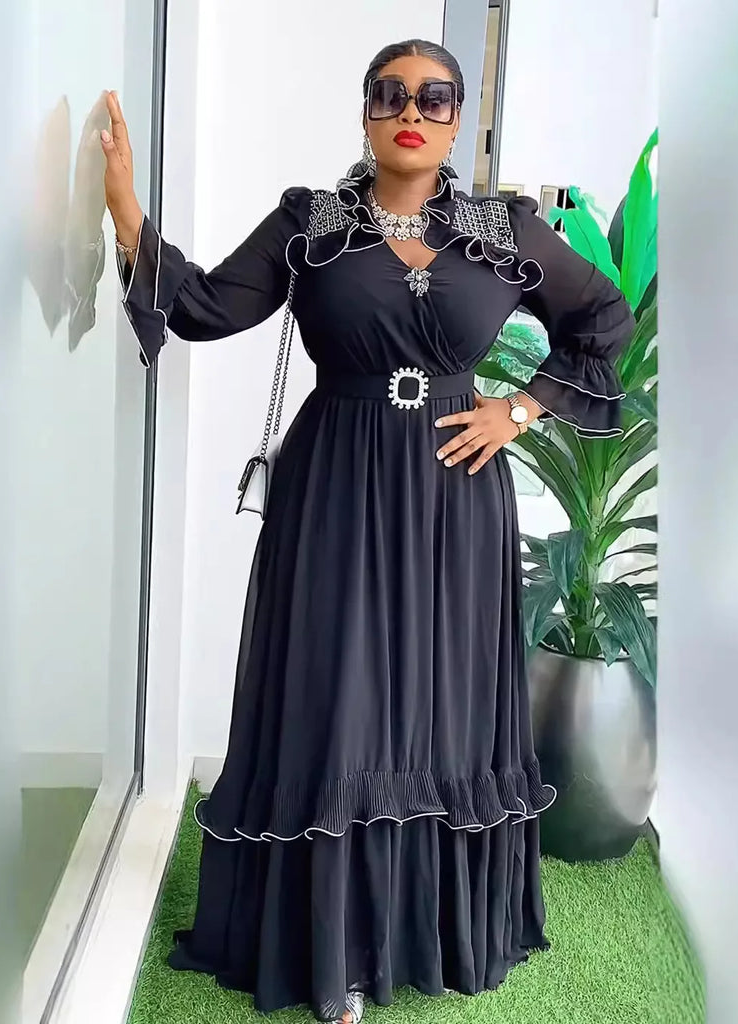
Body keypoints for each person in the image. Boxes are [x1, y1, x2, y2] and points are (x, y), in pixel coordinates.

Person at [101, 38, 633, 1024]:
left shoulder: (503, 229)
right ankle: (334, 951)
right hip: (336, 485)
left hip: (455, 496)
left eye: (434, 98)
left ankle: (431, 932)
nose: (411, 112)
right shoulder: (311, 223)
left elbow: (602, 319)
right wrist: (127, 212)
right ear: (365, 111)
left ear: (457, 120)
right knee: (339, 696)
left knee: (440, 704)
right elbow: (208, 306)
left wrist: (518, 409)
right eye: (390, 94)